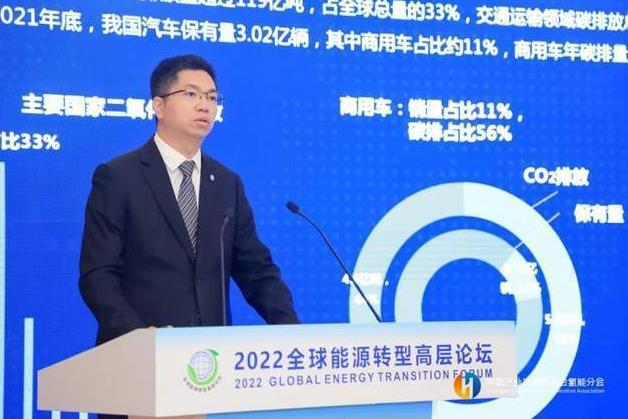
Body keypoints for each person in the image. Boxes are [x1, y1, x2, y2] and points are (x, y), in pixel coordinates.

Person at [79, 53, 299, 358]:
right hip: (138, 360)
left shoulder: (227, 183)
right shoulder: (118, 177)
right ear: (159, 106)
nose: (204, 105)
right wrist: (139, 337)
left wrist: (292, 332)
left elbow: (256, 270)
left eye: (211, 97)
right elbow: (98, 276)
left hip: (211, 361)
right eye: (191, 94)